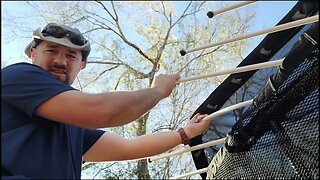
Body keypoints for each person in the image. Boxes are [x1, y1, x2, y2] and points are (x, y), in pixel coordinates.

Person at [1, 23, 211, 179]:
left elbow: (130, 148)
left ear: (81, 65)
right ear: (33, 54)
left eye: (71, 55)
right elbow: (102, 111)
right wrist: (157, 91)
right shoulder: (19, 76)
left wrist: (187, 133)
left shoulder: (73, 127)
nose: (60, 60)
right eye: (51, 50)